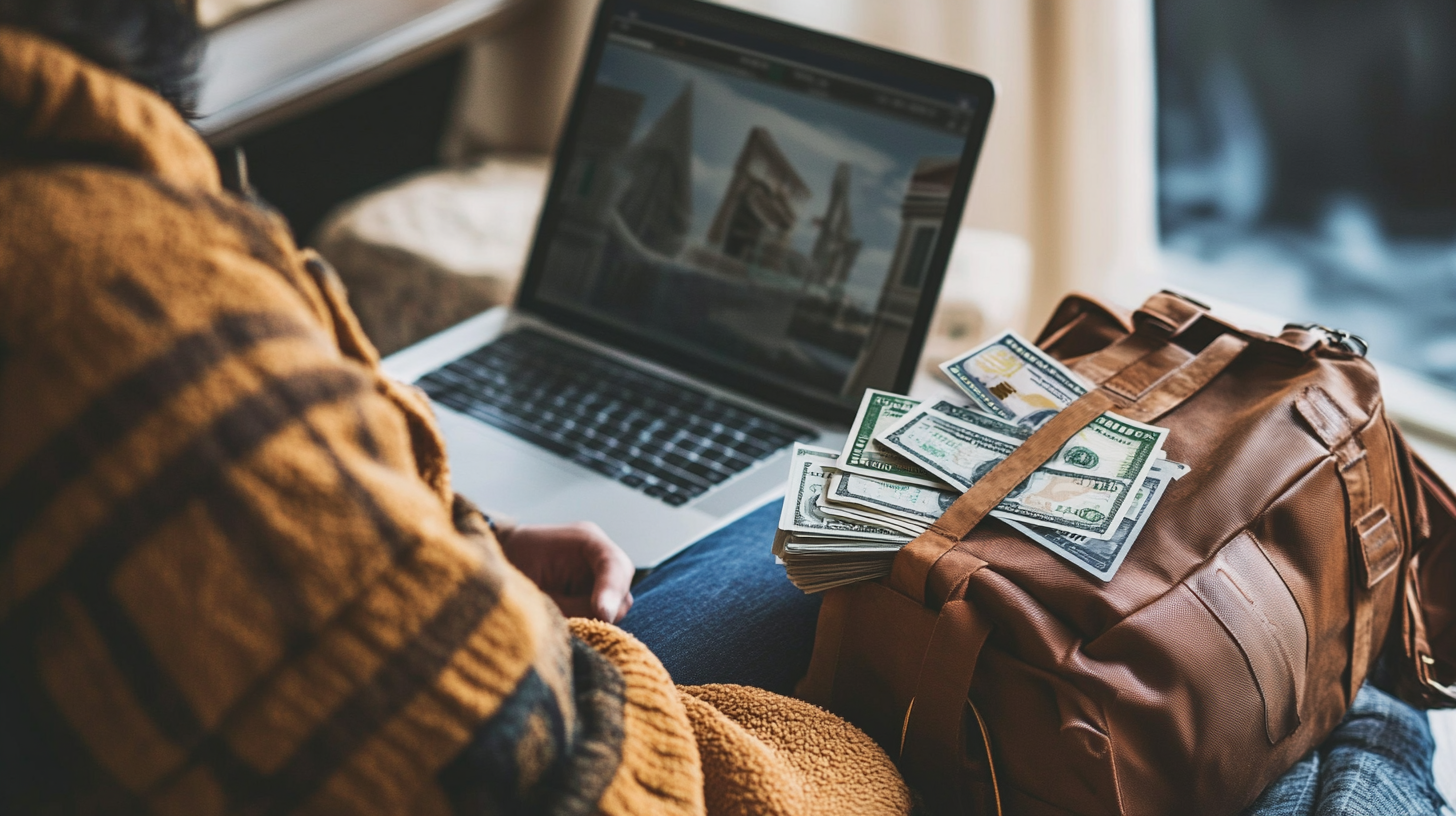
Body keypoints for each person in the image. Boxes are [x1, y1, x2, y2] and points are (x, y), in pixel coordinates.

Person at [0, 2, 1446, 815]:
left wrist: (469, 542)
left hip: (496, 673)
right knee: (1334, 679)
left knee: (801, 518)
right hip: (642, 765)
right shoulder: (100, 297)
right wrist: (877, 746)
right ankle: (1370, 697)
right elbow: (607, 792)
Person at [0, 2, 905, 814]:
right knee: (820, 541)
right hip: (587, 748)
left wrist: (468, 532)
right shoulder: (121, 301)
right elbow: (568, 787)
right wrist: (880, 773)